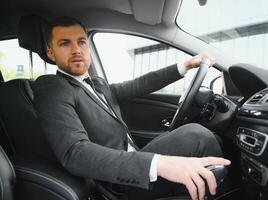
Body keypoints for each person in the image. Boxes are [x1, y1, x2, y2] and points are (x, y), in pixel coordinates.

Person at [33, 16, 230, 200]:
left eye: (81, 41)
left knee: (210, 137)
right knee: (198, 135)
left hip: (134, 155)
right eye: (65, 43)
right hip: (117, 182)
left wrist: (186, 65)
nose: (76, 49)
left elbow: (139, 84)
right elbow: (75, 152)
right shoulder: (52, 87)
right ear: (51, 52)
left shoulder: (97, 84)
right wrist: (157, 164)